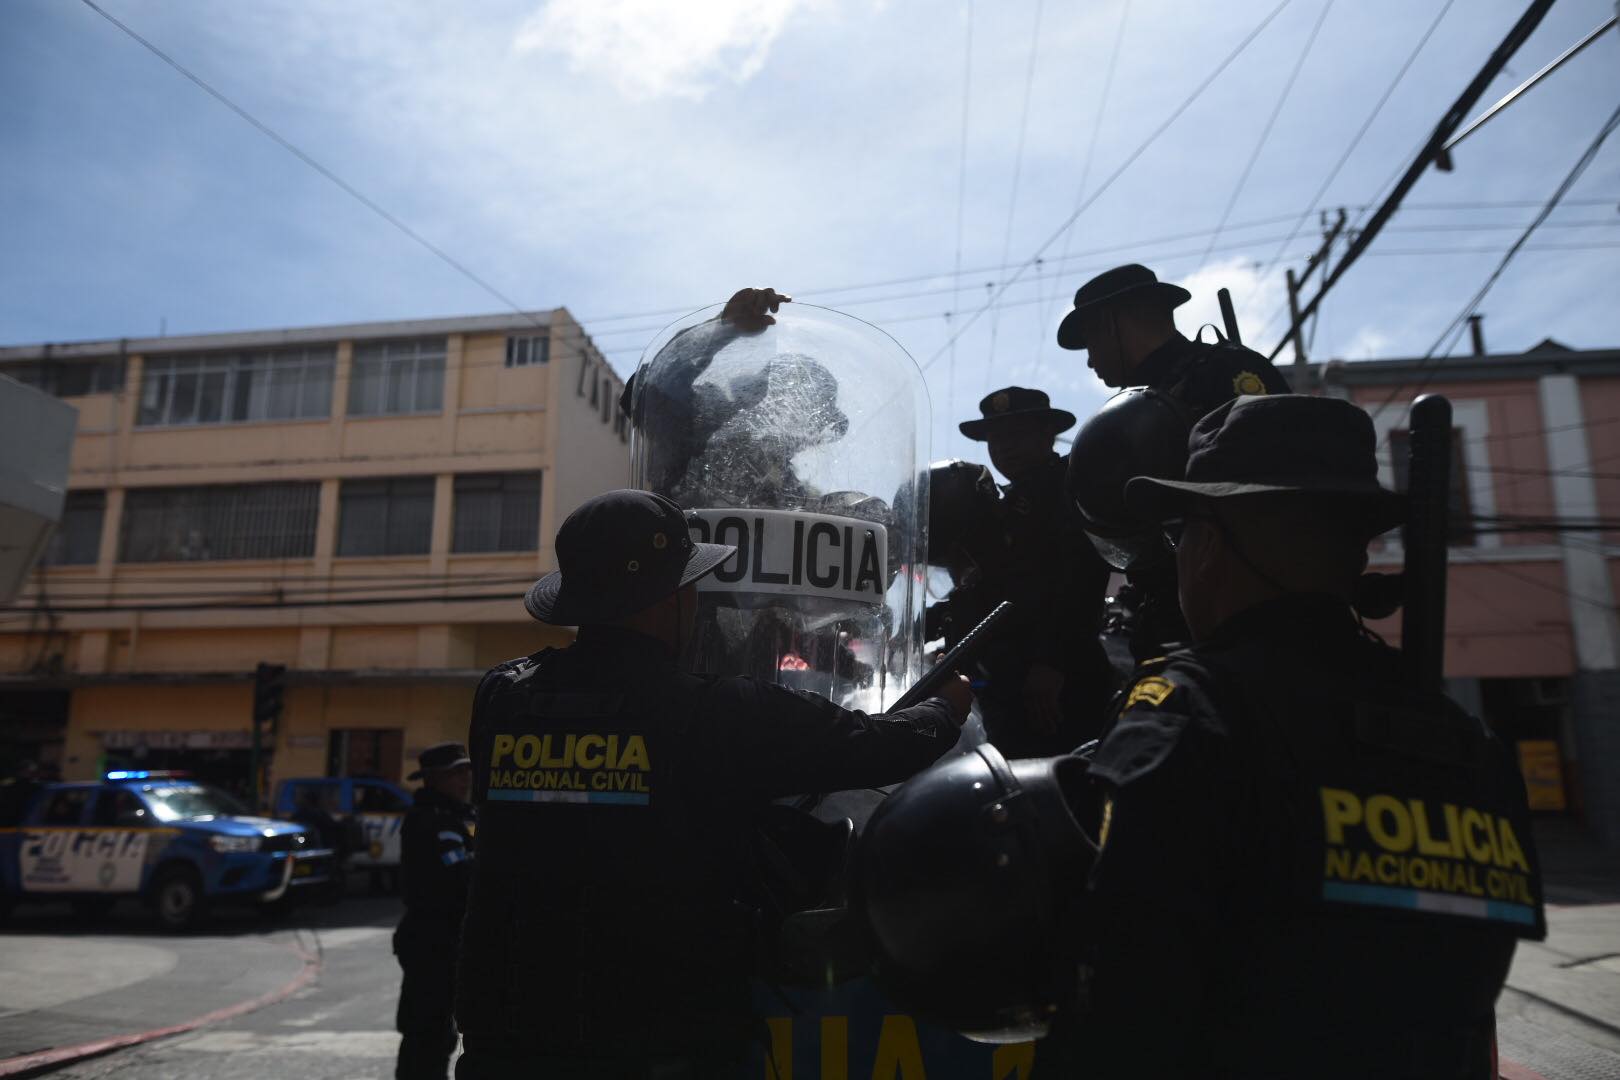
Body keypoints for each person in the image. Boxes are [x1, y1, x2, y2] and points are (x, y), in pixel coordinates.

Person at [1075, 394, 1544, 1077]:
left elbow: (1122, 1011)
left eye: (1181, 534)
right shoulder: (1469, 746)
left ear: (1208, 543)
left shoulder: (1187, 714)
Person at [454, 489, 972, 1079]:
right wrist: (946, 707)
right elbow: (881, 747)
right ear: (671, 597)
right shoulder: (715, 713)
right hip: (660, 1041)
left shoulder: (501, 696)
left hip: (506, 1034)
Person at [1058, 263, 1292, 662]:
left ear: (1111, 324)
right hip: (1177, 613)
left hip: (1243, 613)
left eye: (1091, 341)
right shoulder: (1152, 396)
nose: (1089, 361)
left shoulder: (1225, 374)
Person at [956, 387, 1113, 754]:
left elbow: (1081, 577)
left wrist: (1051, 662)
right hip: (1009, 678)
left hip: (1063, 680)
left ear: (1047, 435)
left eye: (1016, 434)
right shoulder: (1002, 506)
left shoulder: (1070, 484)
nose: (1004, 446)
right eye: (995, 438)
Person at [393, 742, 476, 1080]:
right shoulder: (431, 820)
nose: (464, 780)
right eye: (455, 774)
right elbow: (460, 874)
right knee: (426, 1032)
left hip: (445, 938)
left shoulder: (457, 816)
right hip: (431, 939)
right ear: (433, 779)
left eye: (465, 772)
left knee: (440, 1031)